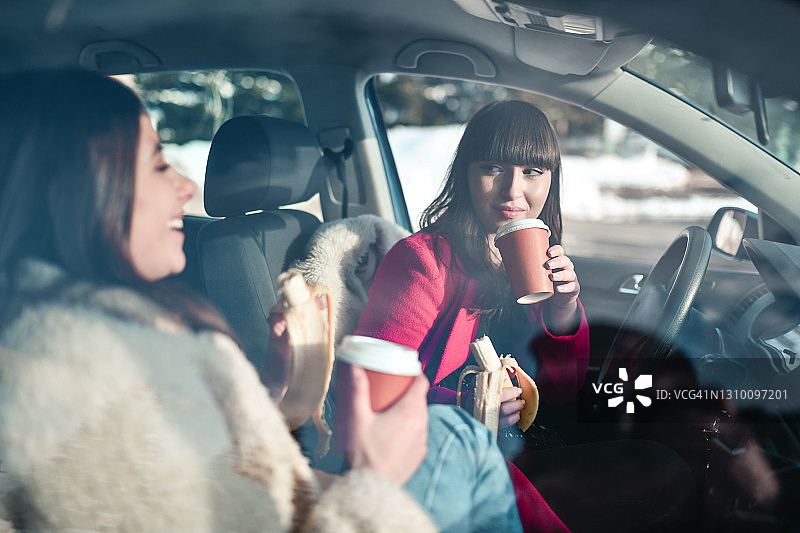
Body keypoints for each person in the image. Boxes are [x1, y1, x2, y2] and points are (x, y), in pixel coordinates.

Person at [0, 69, 521, 533]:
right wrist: (374, 481)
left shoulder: (120, 324)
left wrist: (273, 388)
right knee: (461, 438)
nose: (186, 185)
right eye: (158, 165)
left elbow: (200, 464)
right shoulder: (67, 375)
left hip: (286, 491)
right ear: (77, 192)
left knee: (461, 438)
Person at [356, 100, 590, 430]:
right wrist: (468, 407)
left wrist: (564, 309)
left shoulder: (540, 262)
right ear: (465, 174)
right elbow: (372, 386)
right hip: (439, 440)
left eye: (532, 172)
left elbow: (563, 389)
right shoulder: (421, 261)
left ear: (551, 180)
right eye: (492, 168)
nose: (513, 190)